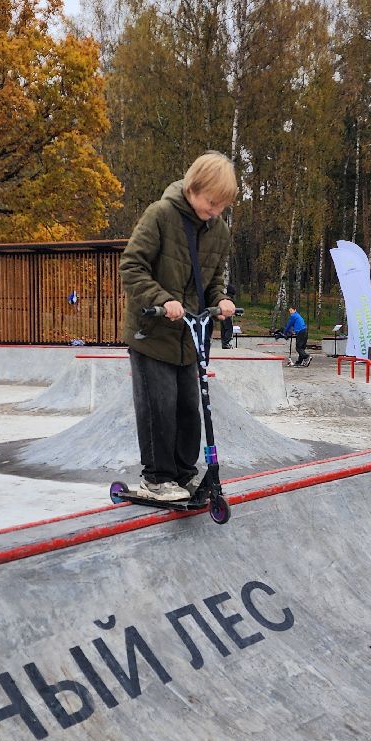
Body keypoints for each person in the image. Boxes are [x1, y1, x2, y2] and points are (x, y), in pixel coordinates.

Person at [120, 152, 238, 502]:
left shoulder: (220, 231)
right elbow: (132, 266)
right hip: (153, 333)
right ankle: (156, 478)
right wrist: (161, 299)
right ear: (192, 187)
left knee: (190, 410)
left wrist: (221, 302)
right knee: (160, 407)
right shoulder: (160, 215)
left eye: (222, 205)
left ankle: (184, 475)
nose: (215, 210)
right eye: (211, 202)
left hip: (192, 337)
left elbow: (214, 281)